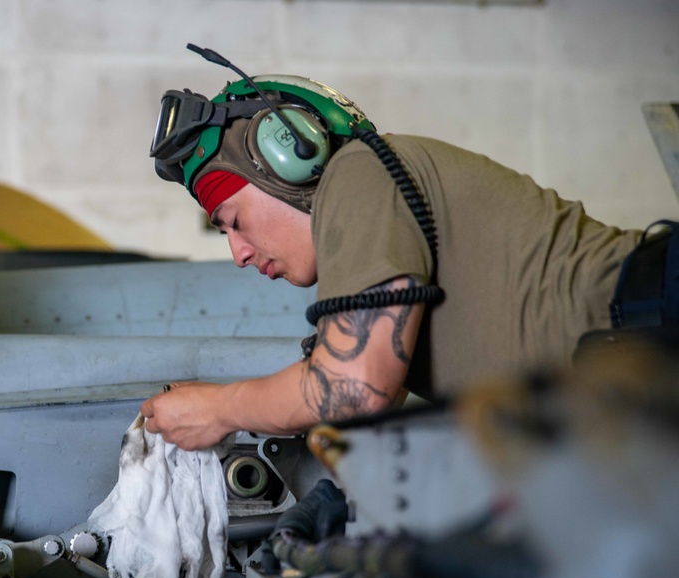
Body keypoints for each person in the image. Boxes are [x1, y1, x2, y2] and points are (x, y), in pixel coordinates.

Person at [140, 55, 675, 451]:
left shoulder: (360, 175)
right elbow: (366, 408)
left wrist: (219, 408)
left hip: (657, 323)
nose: (237, 252)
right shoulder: (374, 224)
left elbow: (351, 389)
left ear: (290, 160)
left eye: (233, 222)